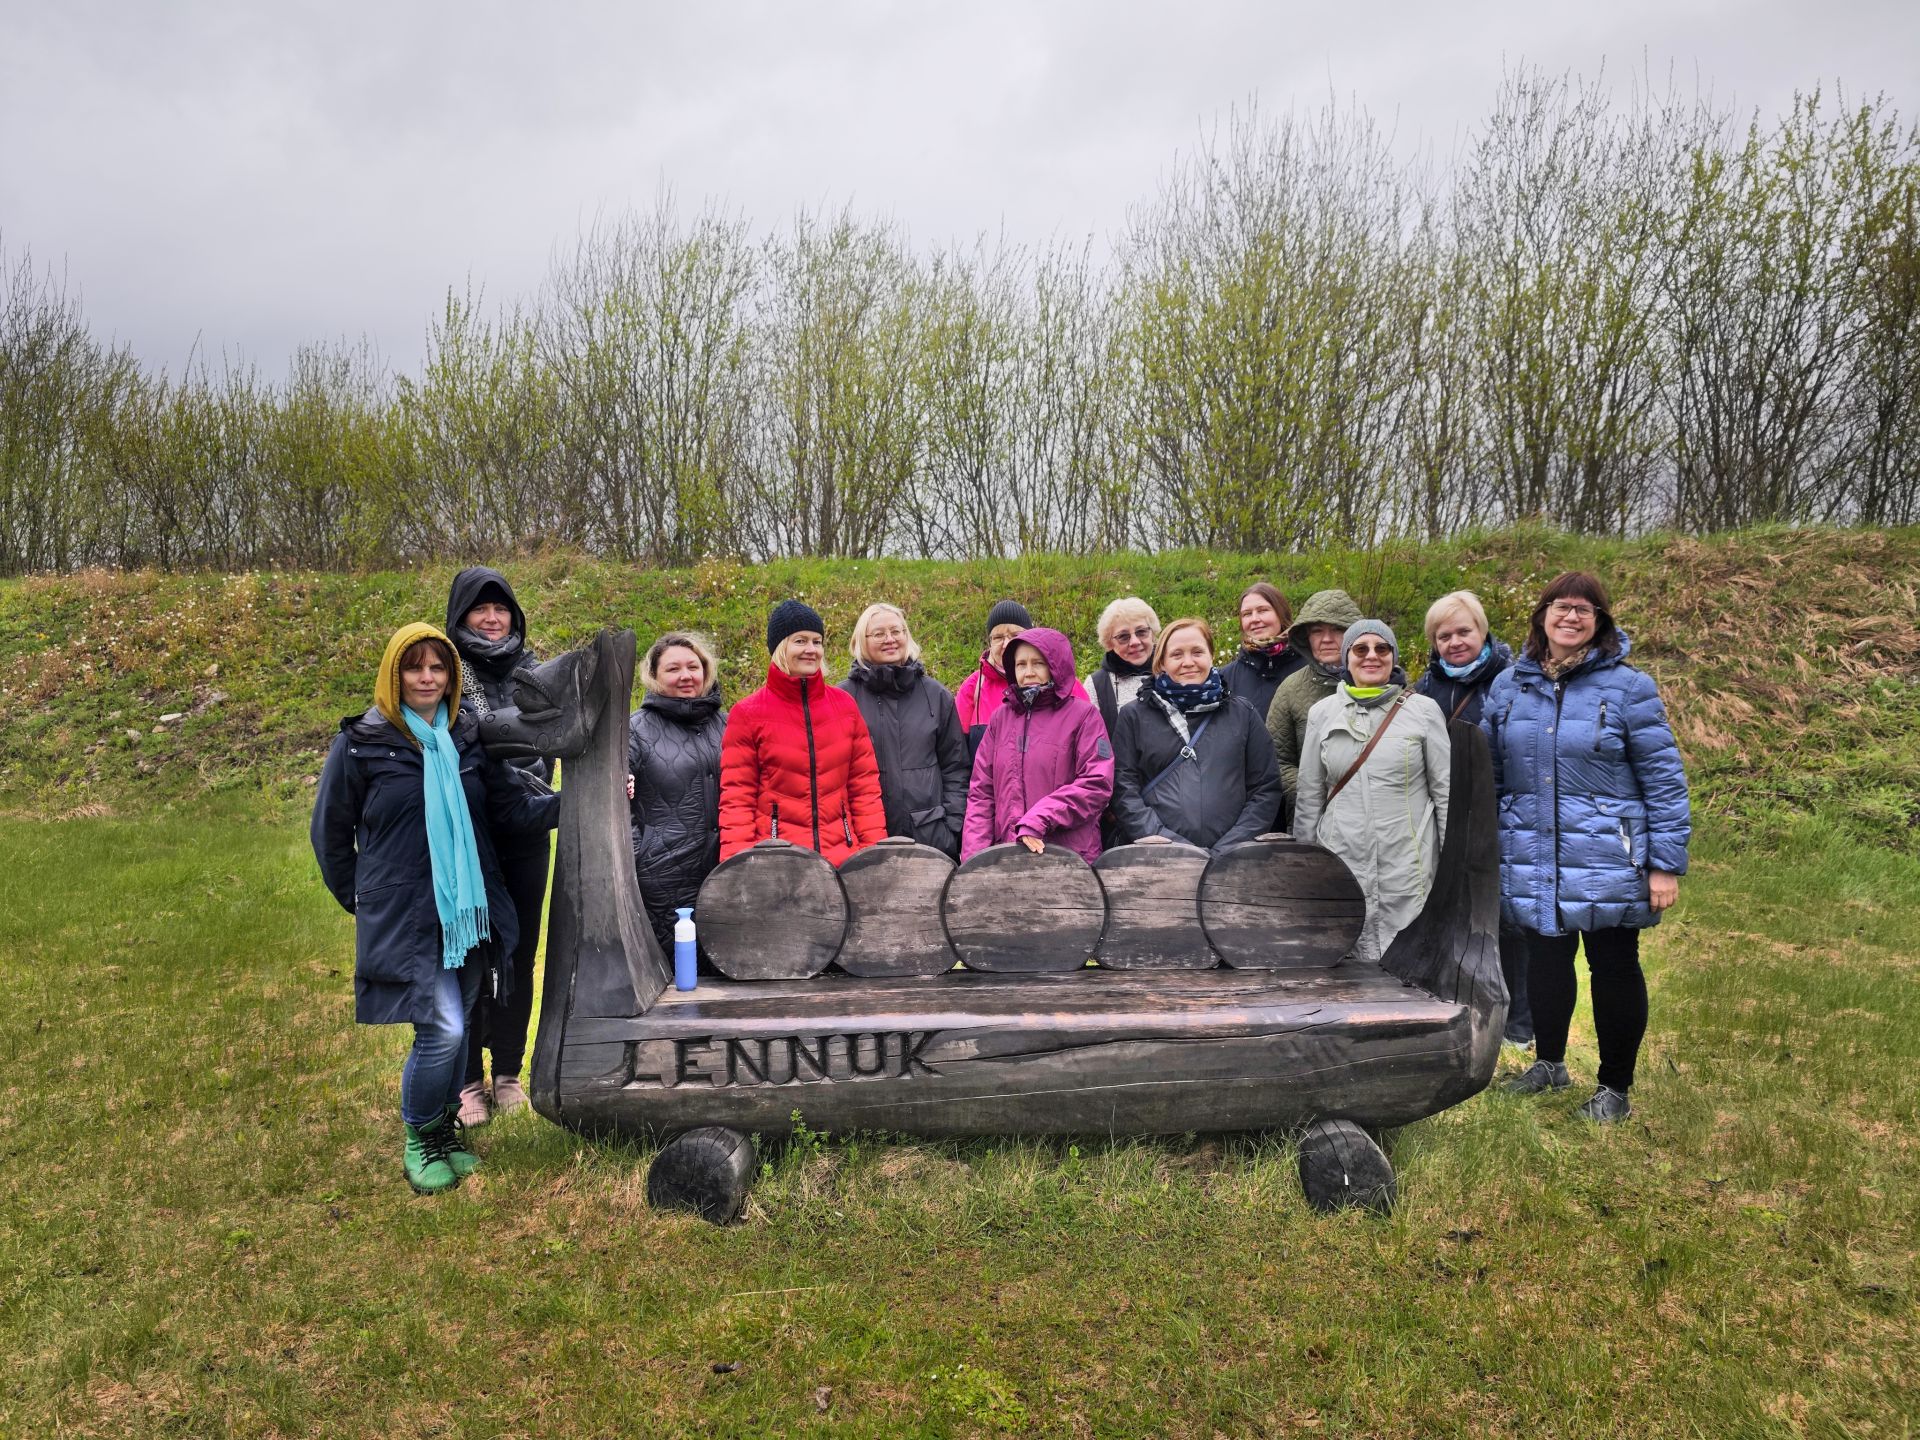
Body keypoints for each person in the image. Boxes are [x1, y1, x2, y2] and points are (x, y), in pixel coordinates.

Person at [311, 623, 558, 1195]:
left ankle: (445, 1133)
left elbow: (509, 809)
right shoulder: (361, 744)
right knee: (443, 1028)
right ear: (393, 675)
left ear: (451, 677)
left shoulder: (466, 737)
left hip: (466, 910)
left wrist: (574, 802)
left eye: (438, 667)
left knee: (463, 1018)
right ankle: (420, 1137)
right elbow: (330, 834)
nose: (427, 677)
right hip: (407, 915)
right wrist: (365, 900)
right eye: (414, 667)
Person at [1486, 572, 1690, 1124]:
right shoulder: (1509, 687)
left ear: (1599, 621)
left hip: (1610, 855)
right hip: (1532, 851)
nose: (1571, 617)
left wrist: (1665, 864)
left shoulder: (1629, 689)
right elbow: (1493, 774)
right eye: (1561, 606)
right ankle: (1549, 1063)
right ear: (1542, 615)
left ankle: (1614, 1088)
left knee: (1614, 965)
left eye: (1584, 609)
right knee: (1546, 960)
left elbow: (1663, 780)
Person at [444, 566, 552, 1127]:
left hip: (527, 827)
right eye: (480, 609)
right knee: (466, 955)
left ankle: (508, 1071)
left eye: (501, 608)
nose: (492, 618)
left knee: (518, 954)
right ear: (460, 616)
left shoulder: (534, 673)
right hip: (465, 838)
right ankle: (466, 1081)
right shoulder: (445, 672)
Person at [1412, 589, 1532, 1049]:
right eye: (1444, 636)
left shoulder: (1512, 681)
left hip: (1500, 812)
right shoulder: (1426, 687)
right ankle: (1460, 999)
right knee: (1458, 910)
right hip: (1448, 811)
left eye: (1464, 631)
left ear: (1483, 631)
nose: (1455, 642)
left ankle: (1520, 1023)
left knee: (1508, 920)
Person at [1293, 620, 1451, 964]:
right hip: (1342, 857)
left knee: (1407, 961)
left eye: (1382, 648)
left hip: (1407, 864)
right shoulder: (1322, 713)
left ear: (1393, 657)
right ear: (1346, 658)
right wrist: (1306, 867)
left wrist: (1450, 864)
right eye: (1360, 649)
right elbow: (1309, 795)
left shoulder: (1424, 711)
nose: (1371, 656)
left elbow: (1445, 793)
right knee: (1346, 961)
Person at [718, 600, 886, 865]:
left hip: (843, 859)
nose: (811, 650)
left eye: (817, 642)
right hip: (777, 862)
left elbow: (864, 789)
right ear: (780, 647)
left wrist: (873, 856)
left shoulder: (845, 707)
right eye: (800, 641)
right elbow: (737, 799)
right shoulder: (747, 714)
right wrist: (738, 867)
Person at [1111, 617, 1282, 851]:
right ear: (1161, 663)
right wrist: (1172, 847)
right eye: (1177, 654)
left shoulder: (1243, 714)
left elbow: (1264, 788)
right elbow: (1124, 789)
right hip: (1157, 857)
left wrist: (1228, 850)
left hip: (1232, 859)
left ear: (1211, 656)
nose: (1188, 662)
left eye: (1197, 652)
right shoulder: (1133, 717)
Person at [962, 627, 1114, 864]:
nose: (1028, 672)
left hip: (1068, 858)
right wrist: (974, 859)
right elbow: (982, 793)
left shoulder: (1084, 716)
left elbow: (1097, 783)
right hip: (1009, 857)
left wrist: (1040, 818)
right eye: (1021, 664)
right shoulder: (1000, 718)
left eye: (1038, 663)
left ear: (1056, 665)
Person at [840, 603, 971, 858]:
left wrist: (951, 828)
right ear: (862, 641)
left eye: (896, 631)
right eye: (879, 634)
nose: (890, 639)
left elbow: (956, 768)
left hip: (930, 840)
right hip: (863, 841)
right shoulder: (844, 698)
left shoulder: (936, 695)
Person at [627, 631, 728, 958]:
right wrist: (641, 855)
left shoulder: (728, 725)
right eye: (673, 669)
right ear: (654, 676)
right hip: (663, 879)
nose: (686, 676)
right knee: (675, 974)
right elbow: (616, 800)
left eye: (693, 667)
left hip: (727, 871)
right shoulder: (634, 730)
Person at [1265, 588, 1365, 805]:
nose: (1326, 639)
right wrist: (1318, 794)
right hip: (1313, 815)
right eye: (1317, 631)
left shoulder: (1387, 682)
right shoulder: (1291, 689)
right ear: (1306, 638)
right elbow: (1275, 760)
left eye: (1337, 629)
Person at [953, 600, 1032, 760]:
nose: (1006, 644)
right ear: (990, 642)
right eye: (998, 637)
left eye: (1015, 636)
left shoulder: (1055, 681)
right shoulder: (973, 686)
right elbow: (956, 753)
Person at [1221, 582, 1304, 723]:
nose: (1255, 619)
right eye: (1247, 614)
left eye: (1263, 610)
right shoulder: (1225, 678)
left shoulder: (1310, 667)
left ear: (1281, 613)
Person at [1082, 596, 1160, 738]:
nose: (1135, 642)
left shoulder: (1173, 673)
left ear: (1152, 634)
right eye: (1123, 637)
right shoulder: (1096, 685)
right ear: (1109, 643)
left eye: (1141, 632)